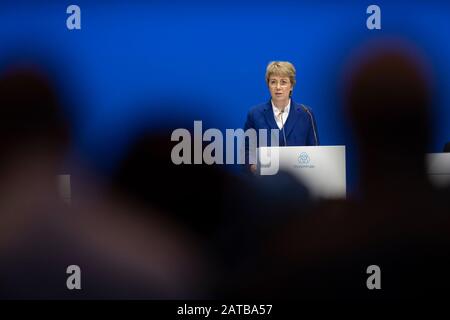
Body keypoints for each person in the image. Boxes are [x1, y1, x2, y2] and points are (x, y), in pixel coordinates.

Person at [244, 61, 319, 173]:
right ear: (268, 85)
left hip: (299, 182)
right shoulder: (255, 114)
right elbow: (246, 151)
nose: (278, 87)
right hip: (265, 183)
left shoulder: (306, 113)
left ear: (292, 85)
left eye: (283, 82)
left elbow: (316, 151)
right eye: (273, 82)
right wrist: (253, 167)